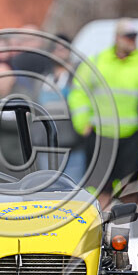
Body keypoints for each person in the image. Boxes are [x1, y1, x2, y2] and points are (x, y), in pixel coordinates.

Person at [68, 18, 138, 207]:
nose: (132, 41)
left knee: (129, 191)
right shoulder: (97, 61)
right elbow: (78, 91)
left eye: (134, 37)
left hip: (133, 137)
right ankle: (99, 229)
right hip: (101, 136)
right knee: (99, 191)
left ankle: (124, 231)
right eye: (128, 37)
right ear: (116, 38)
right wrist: (82, 121)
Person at [38, 34, 86, 182]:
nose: (60, 52)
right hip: (46, 148)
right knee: (48, 194)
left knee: (74, 192)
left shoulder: (79, 76)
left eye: (64, 48)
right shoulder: (43, 78)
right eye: (56, 49)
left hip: (73, 146)